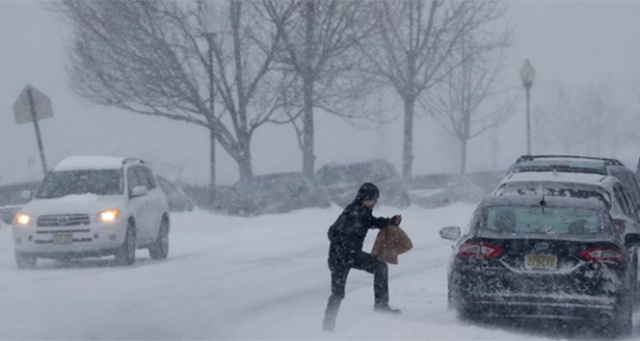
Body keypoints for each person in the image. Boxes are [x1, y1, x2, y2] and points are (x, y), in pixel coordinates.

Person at [322, 182, 403, 331]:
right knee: (338, 293)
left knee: (380, 267)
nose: (375, 203)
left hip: (350, 255)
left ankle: (381, 305)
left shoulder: (361, 210)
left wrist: (390, 222)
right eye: (373, 199)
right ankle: (328, 326)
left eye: (376, 200)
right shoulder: (354, 213)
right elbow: (332, 232)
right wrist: (342, 247)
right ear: (364, 198)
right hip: (340, 258)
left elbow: (371, 222)